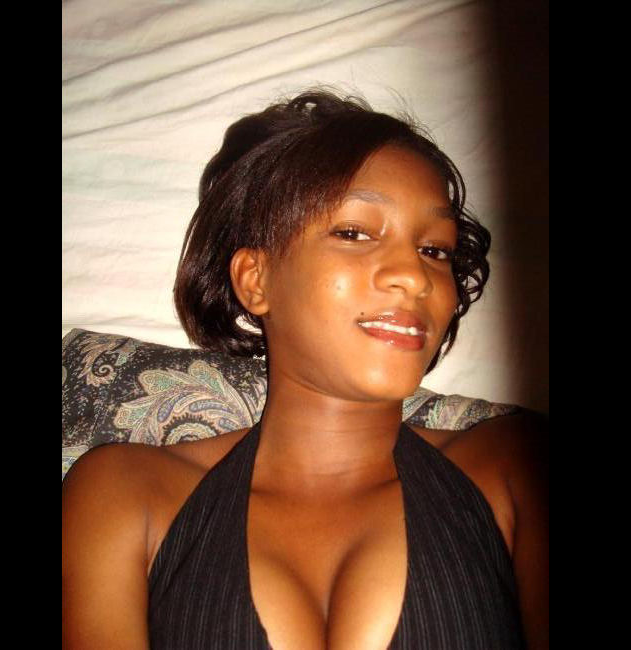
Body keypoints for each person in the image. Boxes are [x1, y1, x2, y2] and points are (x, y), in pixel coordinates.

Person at [62, 89, 548, 649]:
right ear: (256, 280)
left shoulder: (516, 467)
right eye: (354, 233)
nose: (414, 277)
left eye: (435, 249)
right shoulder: (126, 496)